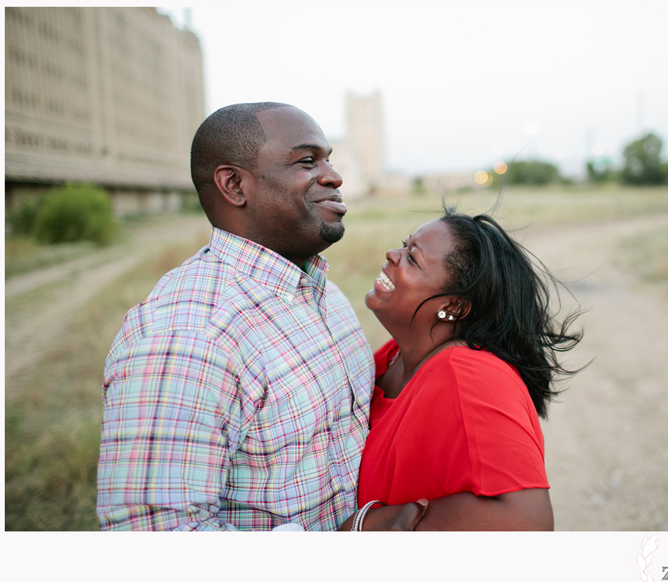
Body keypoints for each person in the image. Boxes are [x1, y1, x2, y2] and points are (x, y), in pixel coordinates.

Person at [97, 103, 427, 531]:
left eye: (329, 158)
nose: (334, 176)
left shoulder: (318, 289)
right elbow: (153, 534)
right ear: (234, 185)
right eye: (307, 161)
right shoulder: (189, 337)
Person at [349, 206, 583, 530]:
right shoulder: (393, 356)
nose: (392, 254)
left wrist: (380, 524)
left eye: (412, 258)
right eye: (404, 245)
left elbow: (528, 521)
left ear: (453, 305)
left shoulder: (471, 375)